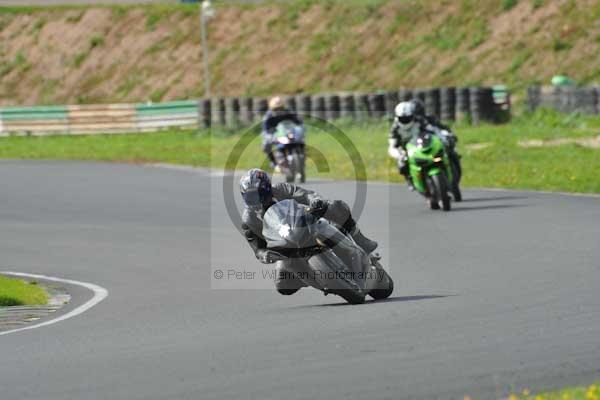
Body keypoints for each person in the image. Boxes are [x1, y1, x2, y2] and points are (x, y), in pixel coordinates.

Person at [239, 168, 377, 295]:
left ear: (267, 189)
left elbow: (305, 195)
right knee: (283, 285)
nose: (255, 201)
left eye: (259, 195)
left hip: (303, 222)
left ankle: (360, 240)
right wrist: (265, 254)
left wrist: (315, 201)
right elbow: (257, 249)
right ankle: (318, 279)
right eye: (250, 198)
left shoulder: (281, 189)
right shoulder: (248, 220)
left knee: (336, 207)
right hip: (285, 245)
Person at [388, 99, 459, 189]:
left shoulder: (419, 120)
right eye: (402, 119)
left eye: (408, 118)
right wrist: (399, 155)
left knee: (441, 152)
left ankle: (447, 172)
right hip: (407, 150)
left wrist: (443, 138)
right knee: (402, 165)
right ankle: (410, 181)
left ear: (412, 115)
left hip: (422, 144)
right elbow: (392, 146)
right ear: (397, 117)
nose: (405, 120)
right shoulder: (395, 128)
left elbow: (433, 130)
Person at [261, 96, 304, 168]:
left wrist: (300, 129)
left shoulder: (288, 111)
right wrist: (271, 137)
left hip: (288, 131)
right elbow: (265, 130)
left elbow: (298, 122)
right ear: (272, 109)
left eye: (280, 108)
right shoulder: (268, 116)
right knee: (265, 145)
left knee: (301, 139)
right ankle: (273, 161)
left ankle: (302, 154)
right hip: (275, 133)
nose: (279, 111)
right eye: (276, 109)